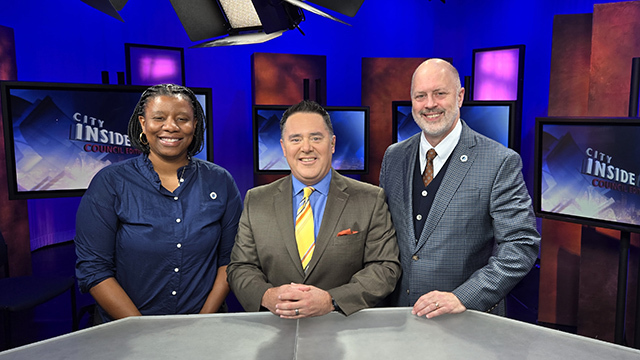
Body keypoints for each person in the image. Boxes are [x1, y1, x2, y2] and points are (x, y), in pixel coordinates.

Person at [380, 59, 540, 319]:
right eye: (420, 96)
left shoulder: (499, 161)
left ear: (460, 96)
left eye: (440, 93)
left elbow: (521, 245)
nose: (430, 104)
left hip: (465, 319)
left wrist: (463, 297)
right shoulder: (394, 157)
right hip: (398, 314)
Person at [75, 84, 242, 322]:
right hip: (127, 334)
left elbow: (230, 261)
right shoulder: (110, 182)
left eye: (182, 119)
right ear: (143, 124)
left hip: (202, 329)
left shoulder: (220, 180)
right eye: (159, 118)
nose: (171, 127)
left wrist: (203, 323)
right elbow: (94, 270)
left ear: (194, 125)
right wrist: (143, 330)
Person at [227, 100, 401, 318]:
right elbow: (240, 268)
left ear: (333, 143)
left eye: (316, 138)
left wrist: (331, 300)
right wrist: (268, 295)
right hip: (278, 329)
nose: (306, 147)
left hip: (347, 330)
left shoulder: (370, 198)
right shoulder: (256, 200)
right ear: (283, 147)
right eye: (295, 139)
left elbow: (385, 268)